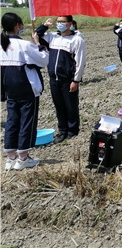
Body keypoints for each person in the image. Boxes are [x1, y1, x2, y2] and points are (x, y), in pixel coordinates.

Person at [1, 13, 49, 170]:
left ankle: (10, 158)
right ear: (17, 26)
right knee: (27, 121)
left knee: (12, 121)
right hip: (26, 88)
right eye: (21, 25)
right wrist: (38, 43)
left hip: (9, 88)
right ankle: (23, 158)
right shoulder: (24, 45)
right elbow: (43, 59)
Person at [35, 16, 86, 144]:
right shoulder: (52, 37)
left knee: (70, 106)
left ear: (70, 24)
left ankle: (72, 131)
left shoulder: (76, 40)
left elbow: (80, 62)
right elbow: (36, 35)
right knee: (59, 106)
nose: (59, 24)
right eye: (58, 22)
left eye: (62, 22)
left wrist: (76, 80)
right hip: (54, 78)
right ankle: (62, 130)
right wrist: (45, 25)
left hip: (68, 79)